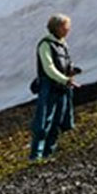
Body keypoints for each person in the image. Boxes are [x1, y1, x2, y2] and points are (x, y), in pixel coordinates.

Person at [29, 13, 80, 161]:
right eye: (65, 26)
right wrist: (65, 79)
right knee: (44, 121)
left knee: (57, 121)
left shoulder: (62, 45)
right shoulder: (45, 44)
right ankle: (36, 156)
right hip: (49, 88)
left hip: (61, 87)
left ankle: (48, 154)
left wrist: (71, 70)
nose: (68, 30)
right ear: (57, 27)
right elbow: (48, 67)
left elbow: (62, 64)